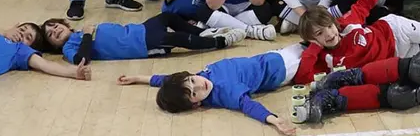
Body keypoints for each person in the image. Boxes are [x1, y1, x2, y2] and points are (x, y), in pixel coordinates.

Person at [116, 43, 306, 135]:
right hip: (283, 70)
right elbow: (247, 105)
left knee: (318, 33)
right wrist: (274, 120)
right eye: (193, 92)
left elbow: (164, 79)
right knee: (326, 49)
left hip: (272, 55)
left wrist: (137, 78)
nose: (198, 84)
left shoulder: (201, 77)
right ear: (196, 104)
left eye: (191, 80)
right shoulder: (224, 93)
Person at [40, 13, 244, 63]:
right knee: (176, 38)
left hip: (141, 29)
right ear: (53, 45)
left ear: (64, 24)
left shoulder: (79, 31)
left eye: (54, 26)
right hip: (143, 45)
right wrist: (86, 34)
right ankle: (219, 42)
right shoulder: (70, 48)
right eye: (50, 35)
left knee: (167, 17)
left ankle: (203, 33)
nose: (54, 31)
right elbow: (81, 60)